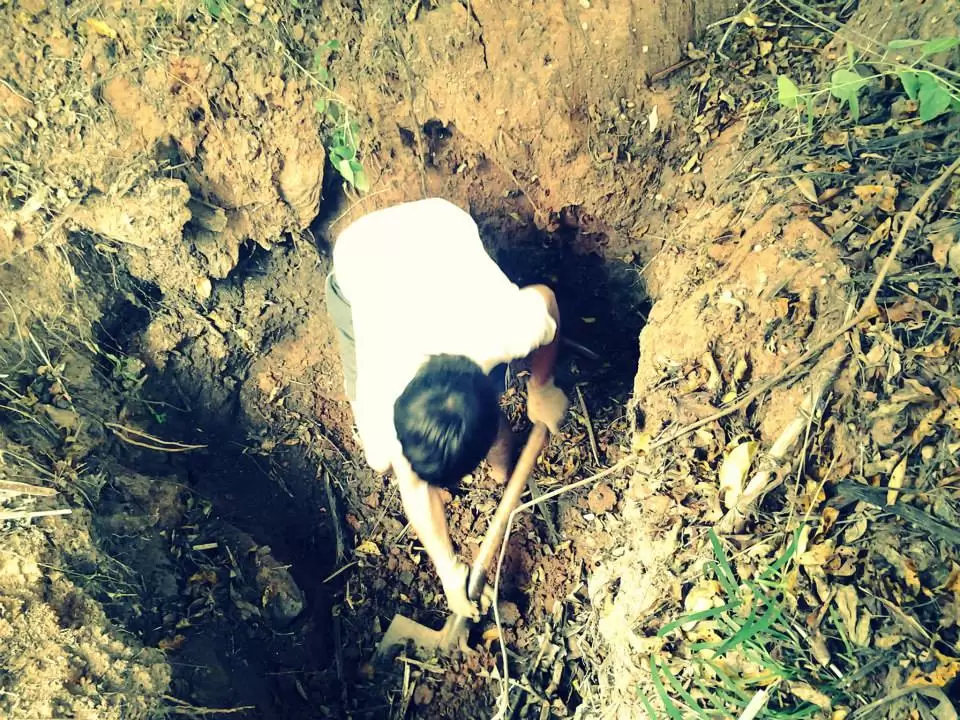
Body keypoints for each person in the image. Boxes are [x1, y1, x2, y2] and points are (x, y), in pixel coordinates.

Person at [325, 198, 568, 621]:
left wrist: (541, 388)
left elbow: (546, 300)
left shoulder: (505, 326)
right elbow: (412, 484)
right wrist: (450, 570)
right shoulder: (381, 401)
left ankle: (499, 459)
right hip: (359, 261)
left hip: (440, 228)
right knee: (379, 459)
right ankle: (497, 461)